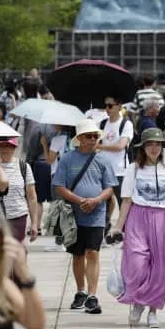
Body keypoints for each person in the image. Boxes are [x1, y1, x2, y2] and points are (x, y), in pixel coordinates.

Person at [111, 128, 165, 328]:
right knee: (137, 264)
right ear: (143, 147)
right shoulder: (133, 169)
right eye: (150, 144)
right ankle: (139, 301)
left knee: (160, 267)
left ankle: (152, 311)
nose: (154, 148)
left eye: (158, 144)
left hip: (161, 217)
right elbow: (125, 201)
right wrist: (117, 228)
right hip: (137, 217)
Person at [53, 119, 118, 315]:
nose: (92, 140)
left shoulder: (103, 160)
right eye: (88, 136)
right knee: (78, 254)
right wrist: (80, 200)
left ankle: (92, 295)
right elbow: (59, 186)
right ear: (79, 138)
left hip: (96, 215)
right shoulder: (67, 159)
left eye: (95, 136)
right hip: (73, 216)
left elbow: (109, 188)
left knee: (93, 253)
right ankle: (80, 291)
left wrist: (97, 200)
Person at [0, 138, 38, 243]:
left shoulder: (24, 167)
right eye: (1, 146)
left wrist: (34, 224)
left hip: (18, 217)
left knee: (15, 253)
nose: (4, 149)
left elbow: (31, 197)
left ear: (14, 148)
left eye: (8, 146)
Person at [97, 95, 134, 206]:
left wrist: (100, 147)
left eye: (110, 106)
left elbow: (120, 146)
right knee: (102, 203)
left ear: (119, 106)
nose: (107, 109)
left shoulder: (126, 124)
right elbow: (96, 142)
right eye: (105, 106)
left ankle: (125, 224)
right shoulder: (102, 123)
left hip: (120, 171)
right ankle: (105, 222)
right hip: (103, 169)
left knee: (123, 203)